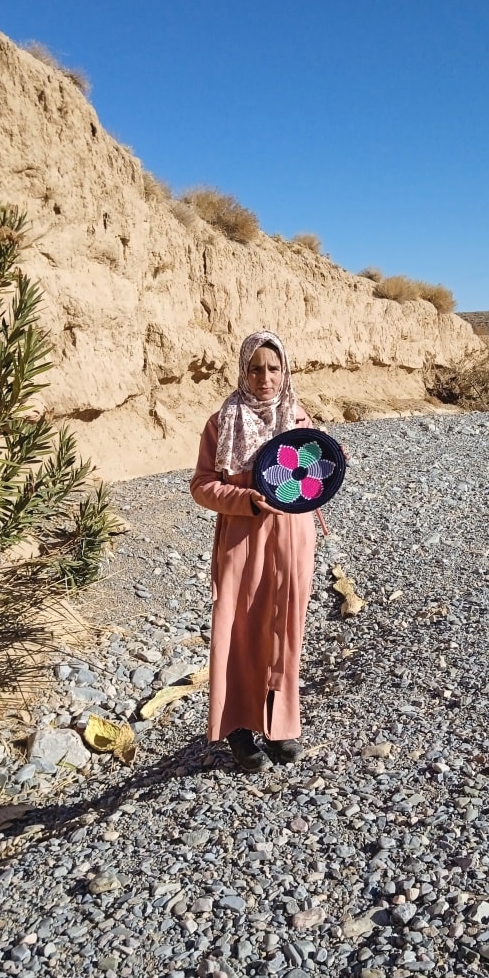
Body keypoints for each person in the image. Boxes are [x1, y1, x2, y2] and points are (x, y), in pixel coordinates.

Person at [190, 330, 316, 772]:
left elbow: (314, 477)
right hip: (242, 541)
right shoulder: (222, 422)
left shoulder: (299, 419)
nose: (265, 377)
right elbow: (203, 485)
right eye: (255, 368)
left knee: (284, 631)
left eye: (274, 368)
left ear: (285, 371)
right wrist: (242, 501)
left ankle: (280, 727)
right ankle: (240, 731)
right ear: (243, 371)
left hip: (293, 540)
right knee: (240, 631)